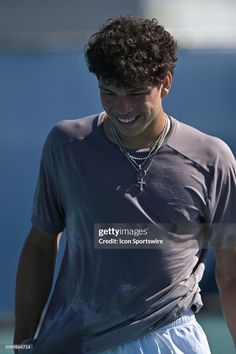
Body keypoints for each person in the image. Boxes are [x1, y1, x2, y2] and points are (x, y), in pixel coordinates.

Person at [14, 16, 236, 354]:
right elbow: (42, 244)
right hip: (76, 341)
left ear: (165, 83)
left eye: (135, 93)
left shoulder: (212, 159)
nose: (122, 108)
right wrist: (22, 343)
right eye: (109, 92)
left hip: (173, 339)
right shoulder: (64, 146)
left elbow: (231, 272)